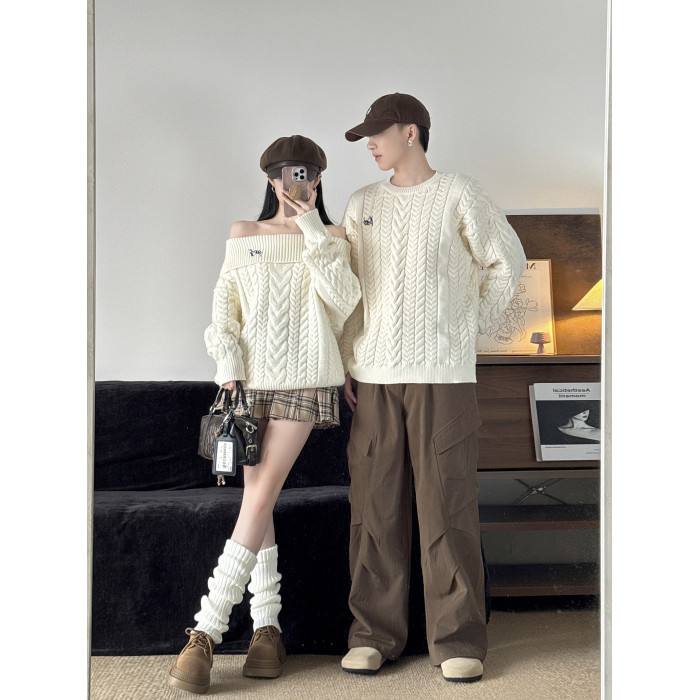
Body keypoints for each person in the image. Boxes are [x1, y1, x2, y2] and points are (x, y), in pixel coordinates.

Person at [338, 93, 527, 683]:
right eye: (366, 137)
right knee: (375, 507)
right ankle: (373, 635)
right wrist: (347, 359)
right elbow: (350, 288)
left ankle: (458, 640)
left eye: (378, 134)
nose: (371, 145)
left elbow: (508, 261)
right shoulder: (361, 203)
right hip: (375, 375)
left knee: (448, 504)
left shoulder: (459, 193)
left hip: (443, 376)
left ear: (411, 132)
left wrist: (466, 329)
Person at [167, 135, 361, 694]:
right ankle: (266, 631)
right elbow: (223, 310)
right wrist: (228, 367)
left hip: (306, 377)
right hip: (248, 383)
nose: (290, 182)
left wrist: (312, 227)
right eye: (281, 173)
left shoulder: (333, 237)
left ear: (317, 179)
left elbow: (345, 302)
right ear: (270, 179)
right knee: (260, 499)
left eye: (302, 172)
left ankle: (205, 630)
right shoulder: (243, 234)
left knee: (259, 495)